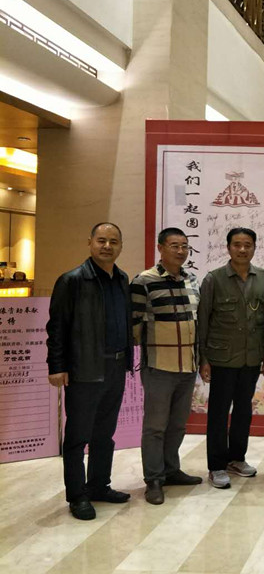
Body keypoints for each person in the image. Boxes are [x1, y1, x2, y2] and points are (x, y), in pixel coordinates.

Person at [46, 223, 134, 520]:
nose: (107, 246)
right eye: (101, 240)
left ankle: (99, 486)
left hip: (115, 367)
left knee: (104, 434)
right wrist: (56, 365)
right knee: (78, 436)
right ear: (90, 243)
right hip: (84, 368)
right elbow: (57, 327)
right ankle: (77, 495)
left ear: (120, 246)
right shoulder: (72, 280)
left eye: (113, 241)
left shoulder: (122, 278)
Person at [131, 227, 203, 505]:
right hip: (159, 367)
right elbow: (134, 325)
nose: (181, 251)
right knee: (155, 427)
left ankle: (171, 470)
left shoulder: (192, 280)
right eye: (174, 246)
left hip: (188, 366)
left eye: (184, 246)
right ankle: (153, 479)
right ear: (160, 248)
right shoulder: (144, 281)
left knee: (177, 425)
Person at [197, 227, 264, 489]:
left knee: (243, 411)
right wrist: (203, 358)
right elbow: (203, 320)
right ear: (228, 248)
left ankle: (237, 458)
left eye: (247, 245)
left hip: (251, 357)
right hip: (221, 358)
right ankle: (216, 465)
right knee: (218, 412)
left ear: (254, 248)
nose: (242, 249)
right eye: (237, 244)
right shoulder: (214, 279)